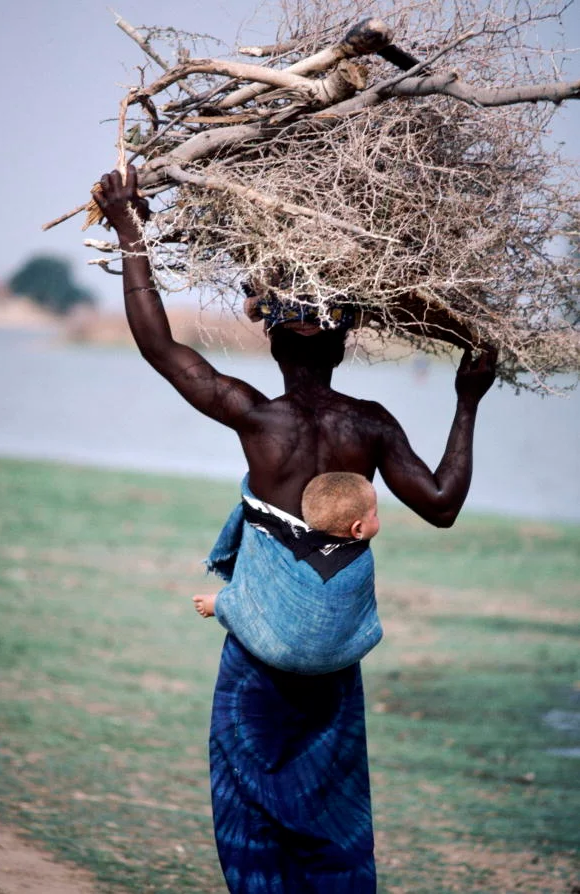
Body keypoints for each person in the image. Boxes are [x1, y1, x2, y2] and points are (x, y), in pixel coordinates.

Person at [94, 167, 497, 894]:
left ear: (275, 346)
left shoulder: (257, 419)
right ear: (342, 349)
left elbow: (159, 348)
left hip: (256, 659)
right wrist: (467, 400)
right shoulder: (370, 425)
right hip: (332, 669)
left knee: (249, 801)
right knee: (328, 809)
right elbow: (441, 503)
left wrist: (131, 228)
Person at [192, 473, 383, 675]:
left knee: (258, 597)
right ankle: (222, 603)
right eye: (375, 514)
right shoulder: (361, 559)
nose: (378, 518)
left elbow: (265, 593)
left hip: (275, 650)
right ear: (358, 529)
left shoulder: (291, 550)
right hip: (341, 657)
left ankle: (221, 603)